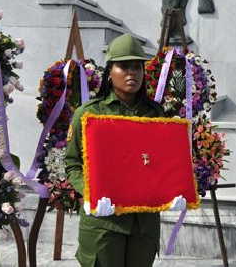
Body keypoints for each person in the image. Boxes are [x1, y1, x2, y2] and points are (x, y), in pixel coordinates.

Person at [65, 33, 164, 267]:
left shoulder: (156, 114)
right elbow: (72, 164)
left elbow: (162, 162)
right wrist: (90, 193)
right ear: (110, 72)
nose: (132, 73)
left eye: (137, 67)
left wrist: (174, 188)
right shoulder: (89, 113)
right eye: (124, 66)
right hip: (104, 224)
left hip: (144, 224)